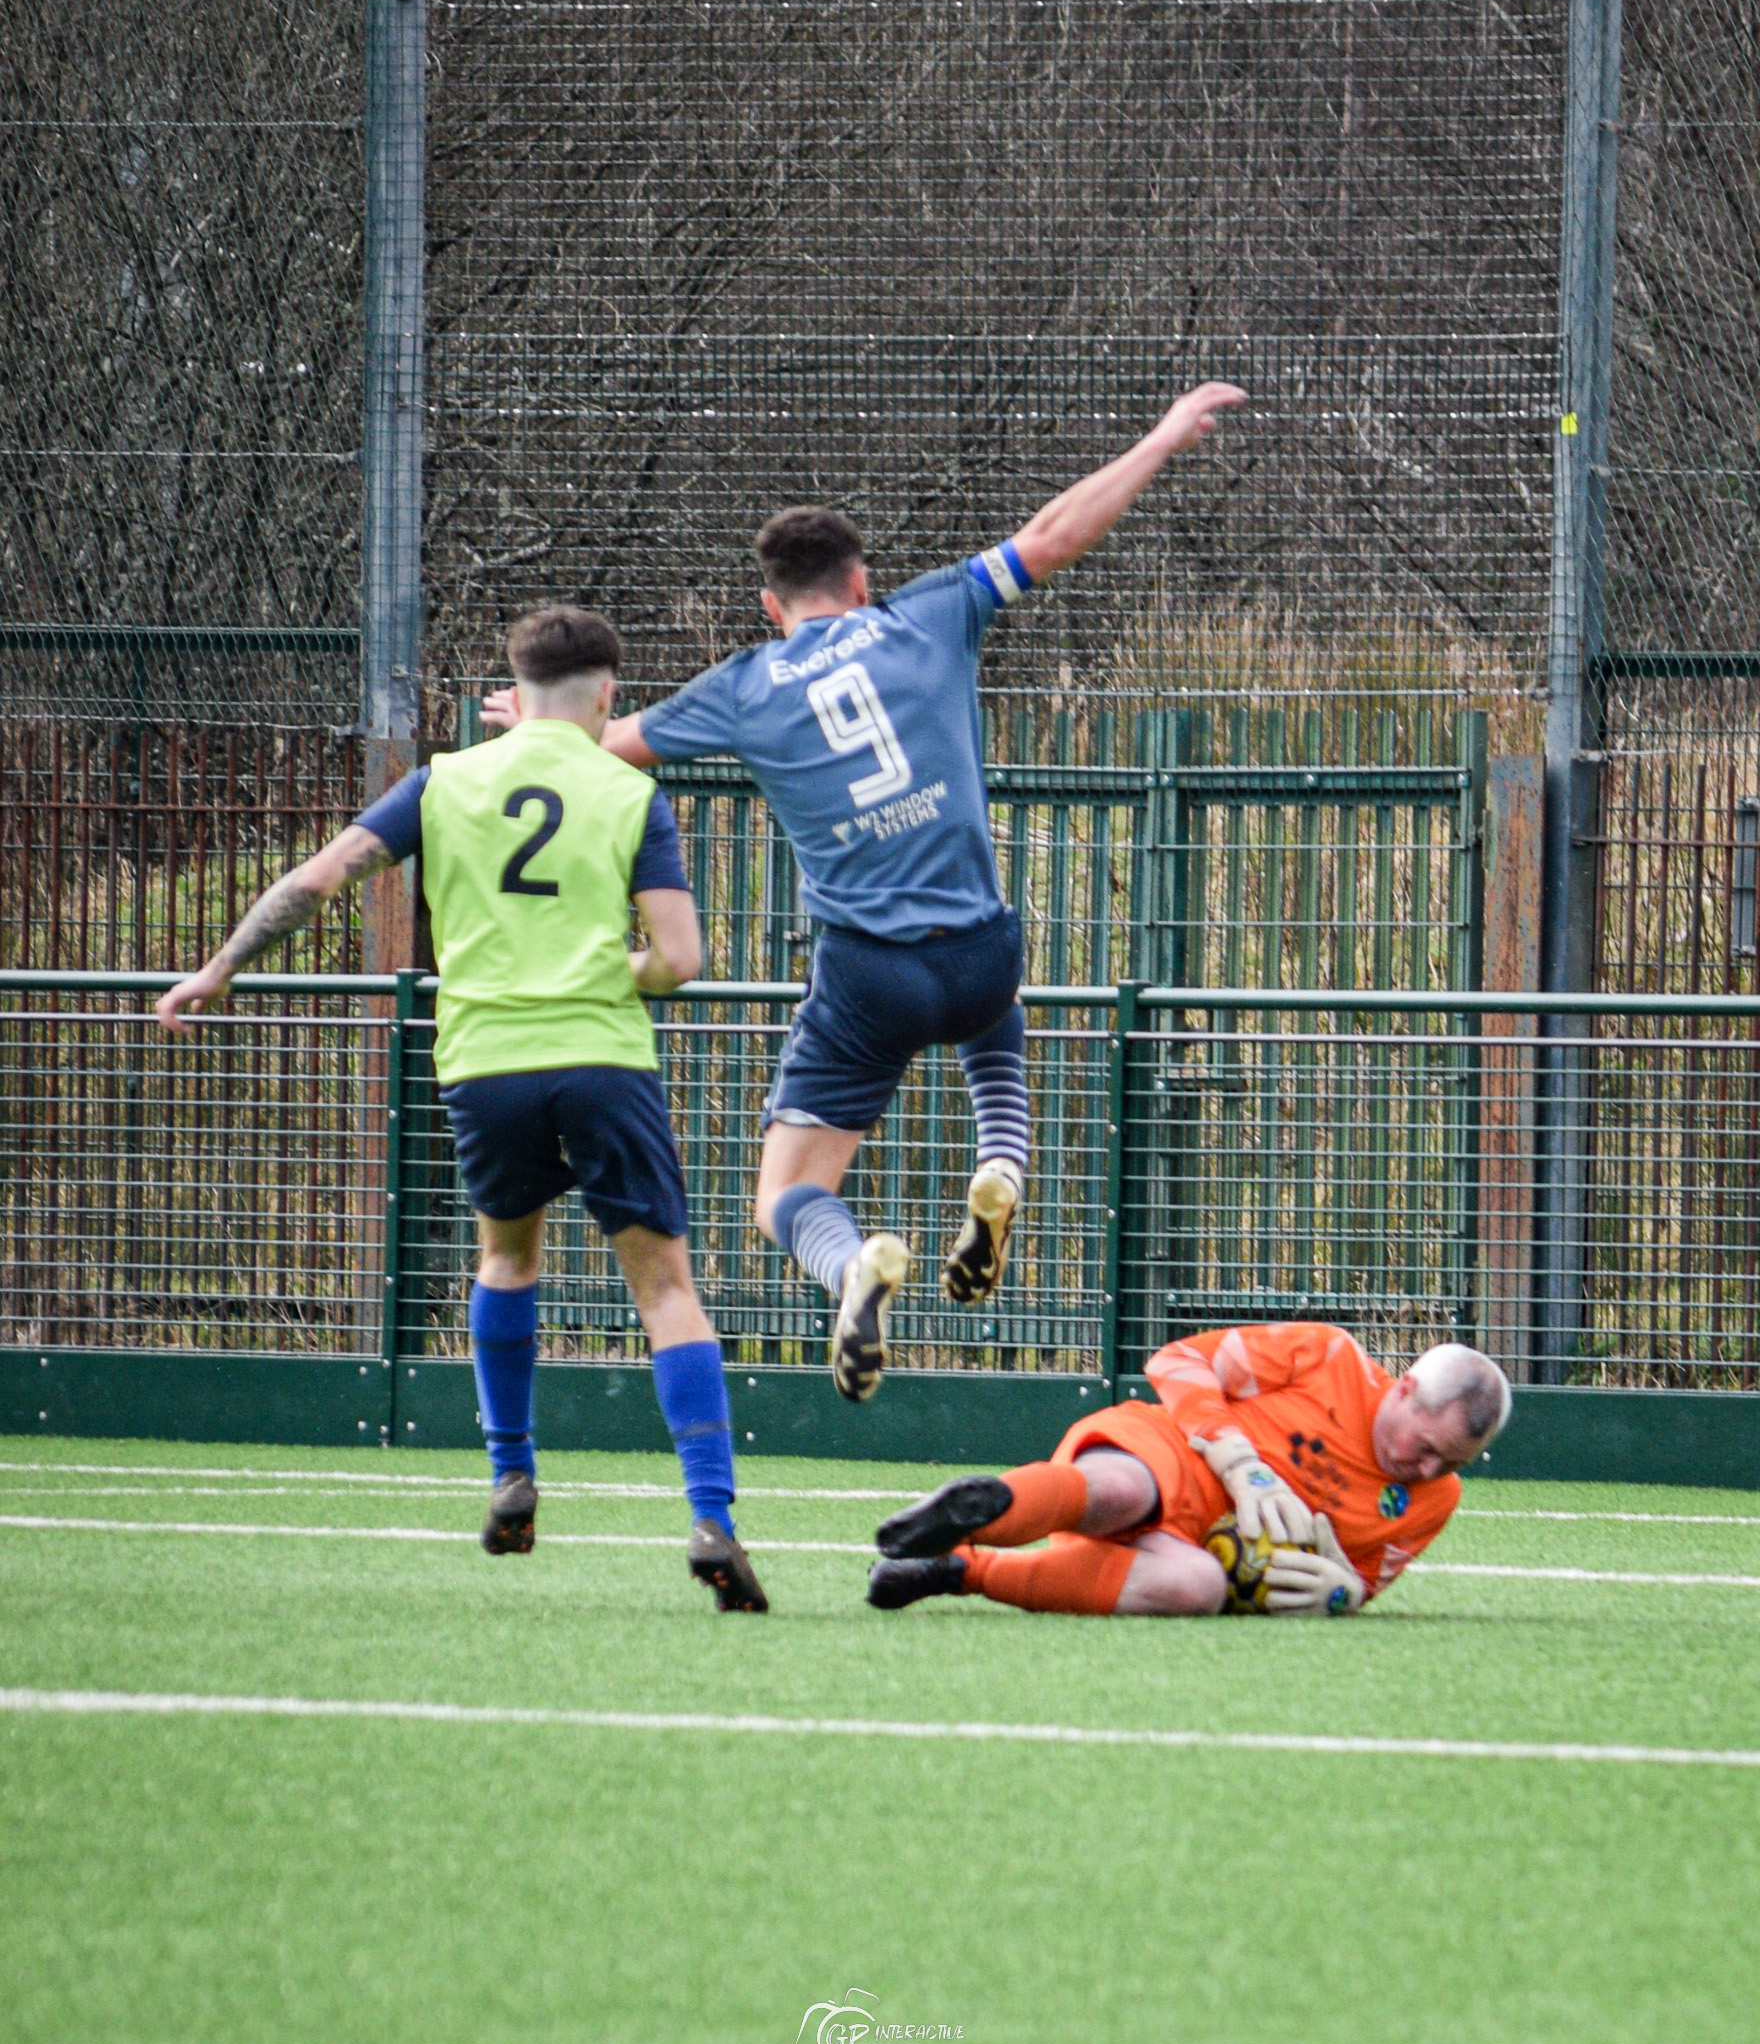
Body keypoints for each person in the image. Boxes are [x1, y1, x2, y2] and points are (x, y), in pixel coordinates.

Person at [482, 381, 1246, 1404]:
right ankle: (1002, 1163)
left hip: (867, 977)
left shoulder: (744, 685)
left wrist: (535, 722)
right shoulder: (930, 612)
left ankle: (849, 1264)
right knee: (995, 1010)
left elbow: (602, 749)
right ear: (861, 580)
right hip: (980, 949)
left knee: (786, 1192)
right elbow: (1054, 534)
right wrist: (1158, 437)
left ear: (771, 607)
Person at [157, 606, 768, 1612]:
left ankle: (511, 1472)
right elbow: (678, 960)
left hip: (485, 1062)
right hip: (601, 1059)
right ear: (608, 695)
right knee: (665, 1290)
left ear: (513, 693)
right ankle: (711, 1516)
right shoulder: (629, 792)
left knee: (506, 1260)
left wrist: (219, 967)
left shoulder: (443, 782)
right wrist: (600, 968)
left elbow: (322, 876)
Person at [865, 1322, 1511, 1617]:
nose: (1427, 1469)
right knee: (1123, 1491)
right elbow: (1177, 1360)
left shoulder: (1437, 1499)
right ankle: (977, 1511)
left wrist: (1341, 1595)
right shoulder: (1328, 1357)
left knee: (1196, 1589)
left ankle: (959, 1571)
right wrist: (1238, 1460)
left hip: (1193, 1554)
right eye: (1427, 1447)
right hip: (1168, 1455)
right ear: (1404, 1390)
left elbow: (1364, 1580)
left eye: (1449, 1463)